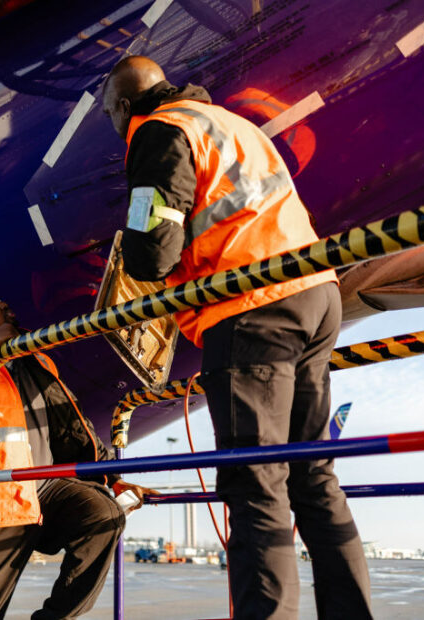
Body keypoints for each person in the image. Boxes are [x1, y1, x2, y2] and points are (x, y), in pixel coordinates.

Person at [101, 56, 372, 619]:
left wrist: (131, 235)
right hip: (316, 295)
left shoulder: (158, 130)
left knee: (256, 487)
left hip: (252, 309)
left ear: (125, 107)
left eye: (111, 114)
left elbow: (153, 251)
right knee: (314, 479)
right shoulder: (230, 124)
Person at [0, 289, 152, 619]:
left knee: (105, 514)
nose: (2, 303)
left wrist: (113, 480)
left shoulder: (36, 359)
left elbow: (75, 427)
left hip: (41, 489)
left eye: (0, 300)